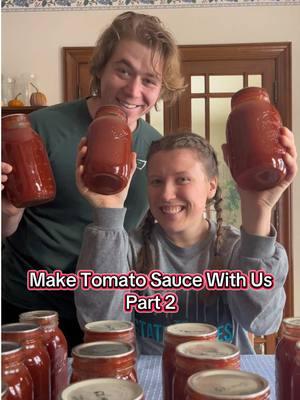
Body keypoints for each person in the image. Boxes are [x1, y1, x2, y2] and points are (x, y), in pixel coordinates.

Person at [1, 12, 185, 351]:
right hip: (28, 309)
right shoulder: (40, 129)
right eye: (123, 70)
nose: (133, 90)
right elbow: (5, 225)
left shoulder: (158, 148)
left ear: (161, 90)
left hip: (109, 311)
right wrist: (8, 209)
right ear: (100, 68)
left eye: (149, 80)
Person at [74, 130, 297, 354]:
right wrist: (107, 212)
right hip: (150, 382)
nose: (167, 194)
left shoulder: (235, 249)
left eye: (182, 179)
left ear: (211, 186)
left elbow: (262, 322)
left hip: (224, 382)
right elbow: (100, 325)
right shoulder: (128, 248)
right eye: (156, 181)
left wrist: (259, 211)